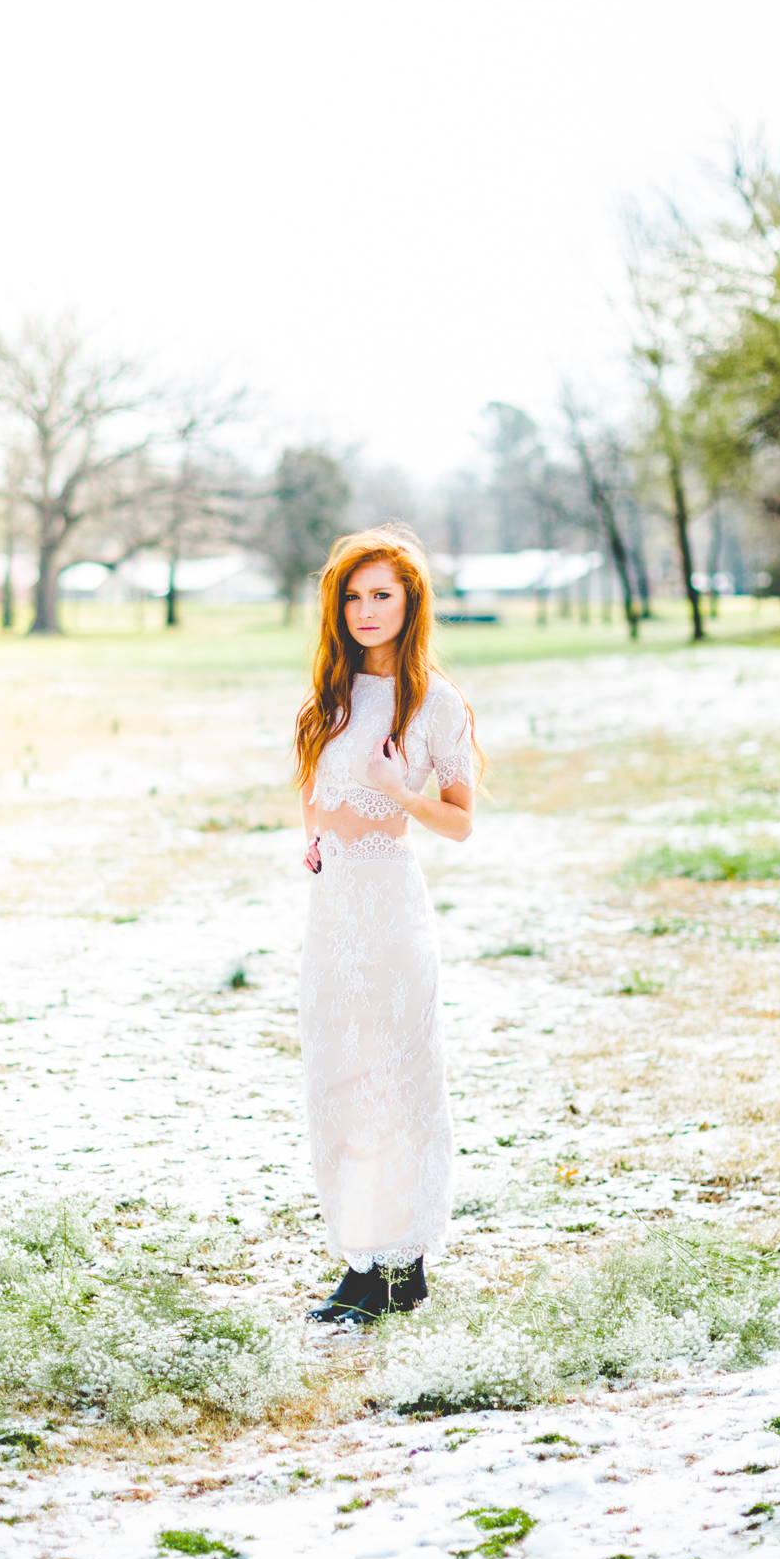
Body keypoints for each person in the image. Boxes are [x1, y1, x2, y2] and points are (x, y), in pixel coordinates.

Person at [293, 524, 480, 1325]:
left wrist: (394, 788)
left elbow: (460, 824)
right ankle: (362, 1261)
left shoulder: (432, 700)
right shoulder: (328, 697)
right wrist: (313, 838)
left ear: (410, 604)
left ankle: (406, 1268)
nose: (367, 610)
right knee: (342, 1077)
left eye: (383, 596)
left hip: (393, 910)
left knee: (399, 1079)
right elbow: (317, 788)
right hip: (332, 911)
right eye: (354, 596)